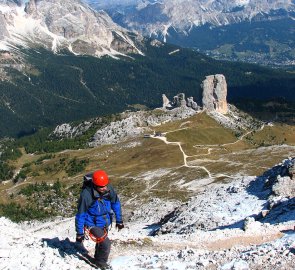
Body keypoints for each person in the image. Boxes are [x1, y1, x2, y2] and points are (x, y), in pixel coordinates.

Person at [75, 170, 124, 269]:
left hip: (104, 221)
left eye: (105, 185)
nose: (105, 188)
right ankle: (101, 263)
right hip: (91, 223)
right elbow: (81, 214)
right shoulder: (86, 195)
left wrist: (119, 220)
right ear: (95, 185)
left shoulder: (108, 188)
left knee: (101, 242)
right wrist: (79, 233)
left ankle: (97, 258)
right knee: (106, 243)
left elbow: (116, 203)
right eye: (102, 187)